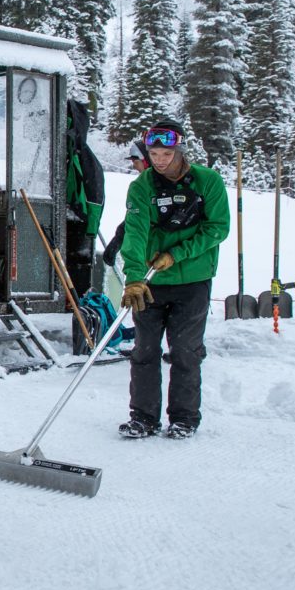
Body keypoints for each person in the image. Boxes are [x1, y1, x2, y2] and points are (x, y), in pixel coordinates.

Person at [117, 120, 230, 439]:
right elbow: (136, 233)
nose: (159, 159)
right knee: (144, 349)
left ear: (179, 149)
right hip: (151, 284)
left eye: (166, 152)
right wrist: (135, 278)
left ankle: (184, 418)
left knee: (185, 350)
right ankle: (143, 417)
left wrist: (176, 254)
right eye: (153, 153)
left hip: (193, 281)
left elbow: (217, 228)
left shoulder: (208, 182)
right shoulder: (142, 187)